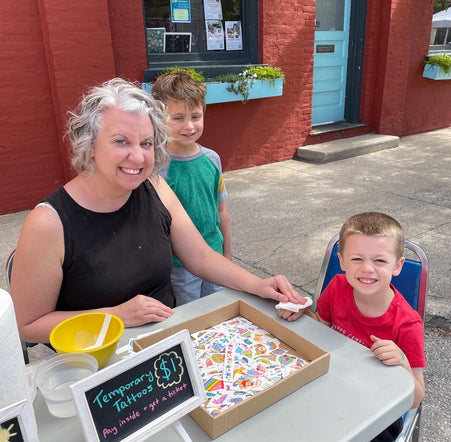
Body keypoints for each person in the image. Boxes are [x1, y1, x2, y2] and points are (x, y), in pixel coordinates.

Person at [10, 78, 306, 345]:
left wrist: (259, 284)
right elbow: (28, 325)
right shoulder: (48, 223)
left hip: (165, 344)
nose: (137, 156)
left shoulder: (154, 187)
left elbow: (200, 256)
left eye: (147, 143)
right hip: (93, 361)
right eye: (120, 141)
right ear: (89, 146)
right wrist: (115, 316)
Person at [277, 212, 426, 442]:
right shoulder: (336, 288)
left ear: (398, 265)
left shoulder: (407, 324)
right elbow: (321, 333)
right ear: (342, 261)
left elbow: (415, 398)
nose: (367, 269)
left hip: (378, 410)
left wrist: (401, 360)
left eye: (380, 260)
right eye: (357, 259)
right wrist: (303, 314)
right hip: (334, 386)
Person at [151, 71, 230, 305]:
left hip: (215, 255)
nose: (189, 126)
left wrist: (227, 255)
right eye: (177, 118)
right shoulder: (157, 168)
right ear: (159, 118)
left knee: (218, 310)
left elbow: (221, 211)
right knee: (191, 317)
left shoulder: (212, 159)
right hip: (180, 266)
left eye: (195, 116)